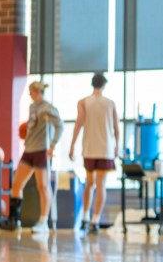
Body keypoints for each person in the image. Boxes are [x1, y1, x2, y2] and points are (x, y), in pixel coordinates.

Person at [6, 80, 64, 233]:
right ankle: (14, 219)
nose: (30, 95)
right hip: (29, 150)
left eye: (31, 92)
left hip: (41, 150)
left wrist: (52, 145)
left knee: (42, 186)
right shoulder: (32, 107)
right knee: (17, 183)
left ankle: (43, 222)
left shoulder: (47, 109)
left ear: (37, 92)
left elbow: (60, 125)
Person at [68, 72, 120, 234]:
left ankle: (85, 217)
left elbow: (79, 124)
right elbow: (116, 128)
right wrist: (116, 146)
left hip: (89, 148)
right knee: (100, 184)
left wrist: (72, 145)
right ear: (104, 85)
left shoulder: (83, 102)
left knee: (89, 183)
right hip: (105, 150)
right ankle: (95, 220)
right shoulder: (110, 104)